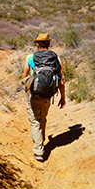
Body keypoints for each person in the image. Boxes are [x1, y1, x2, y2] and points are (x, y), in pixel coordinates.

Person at [21, 33, 65, 162]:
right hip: (48, 95)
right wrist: (62, 97)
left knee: (35, 121)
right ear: (49, 44)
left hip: (34, 94)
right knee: (43, 119)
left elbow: (24, 76)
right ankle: (41, 141)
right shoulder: (56, 59)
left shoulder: (30, 58)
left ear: (37, 44)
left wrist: (27, 85)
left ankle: (39, 150)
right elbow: (61, 81)